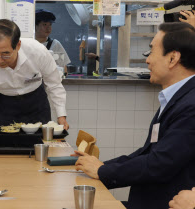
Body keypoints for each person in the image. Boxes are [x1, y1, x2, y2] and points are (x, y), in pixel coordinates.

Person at [72, 22, 195, 209]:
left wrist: (104, 171)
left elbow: (160, 163)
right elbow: (149, 151)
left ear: (173, 58)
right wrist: (103, 166)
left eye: (151, 52)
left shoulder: (191, 105)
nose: (147, 60)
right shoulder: (178, 97)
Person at [35, 9, 71, 73]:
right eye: (45, 24)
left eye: (50, 25)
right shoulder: (28, 43)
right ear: (35, 26)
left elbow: (63, 68)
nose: (48, 28)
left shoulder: (55, 44)